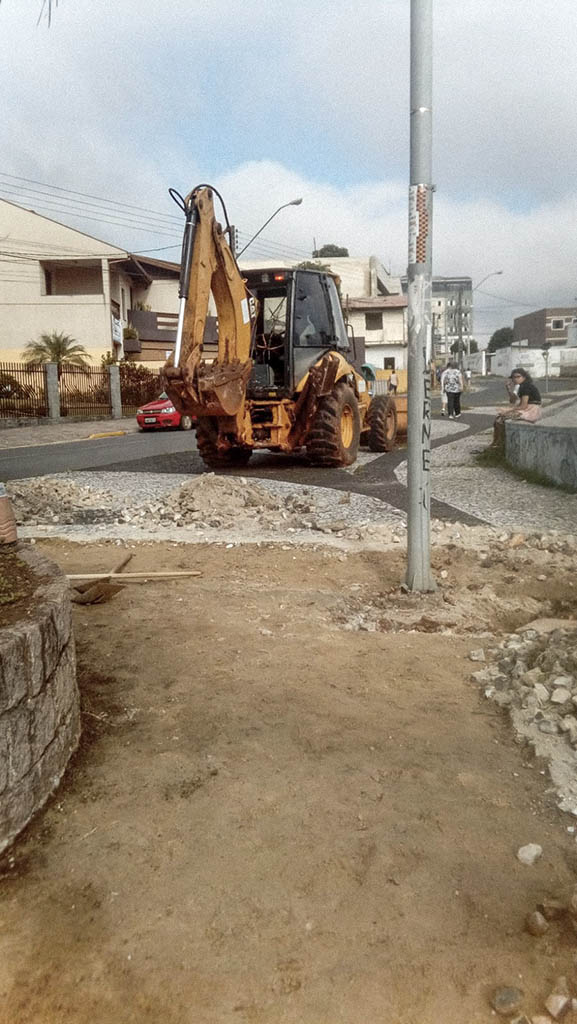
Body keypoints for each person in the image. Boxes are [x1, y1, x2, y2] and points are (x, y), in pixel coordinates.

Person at [491, 367, 542, 447]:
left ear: (524, 377)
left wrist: (508, 410)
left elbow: (523, 406)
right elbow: (512, 401)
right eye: (513, 377)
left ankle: (500, 443)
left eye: (518, 376)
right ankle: (497, 442)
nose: (515, 379)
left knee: (500, 419)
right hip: (528, 409)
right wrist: (508, 389)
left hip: (531, 410)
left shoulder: (525, 387)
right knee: (499, 418)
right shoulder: (519, 386)